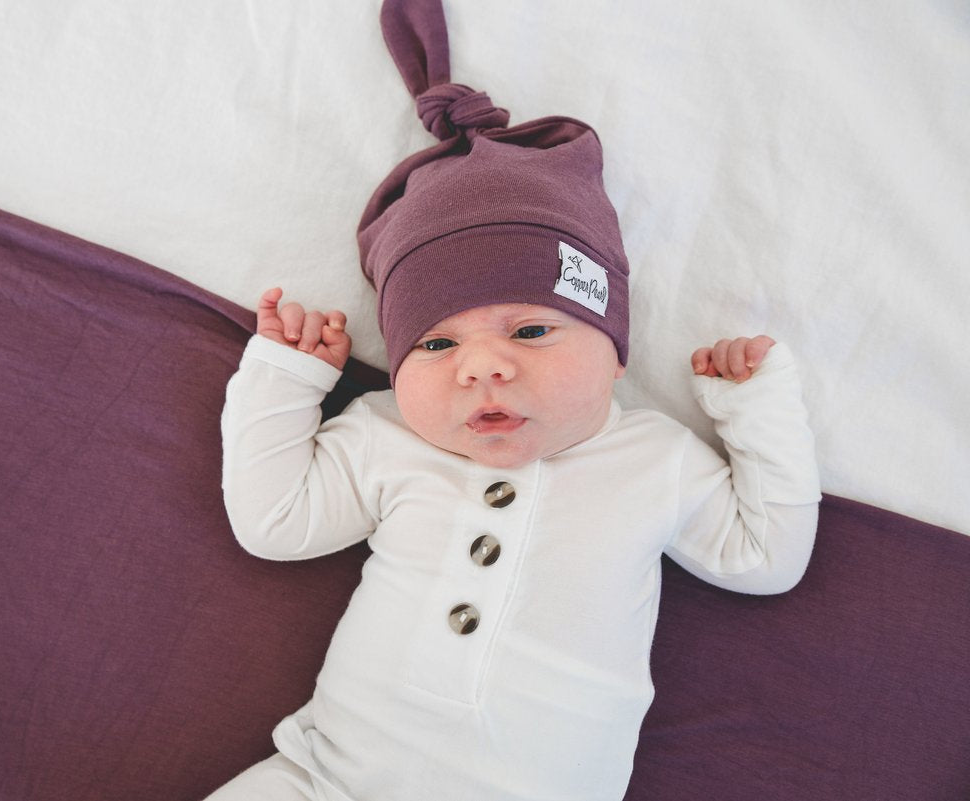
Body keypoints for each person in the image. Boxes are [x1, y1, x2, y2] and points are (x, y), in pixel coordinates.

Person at [208, 1, 820, 799]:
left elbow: (766, 556)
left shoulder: (654, 459)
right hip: (327, 781)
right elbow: (274, 521)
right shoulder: (387, 435)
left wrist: (755, 409)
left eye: (531, 331)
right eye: (435, 345)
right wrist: (287, 377)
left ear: (615, 352)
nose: (482, 369)